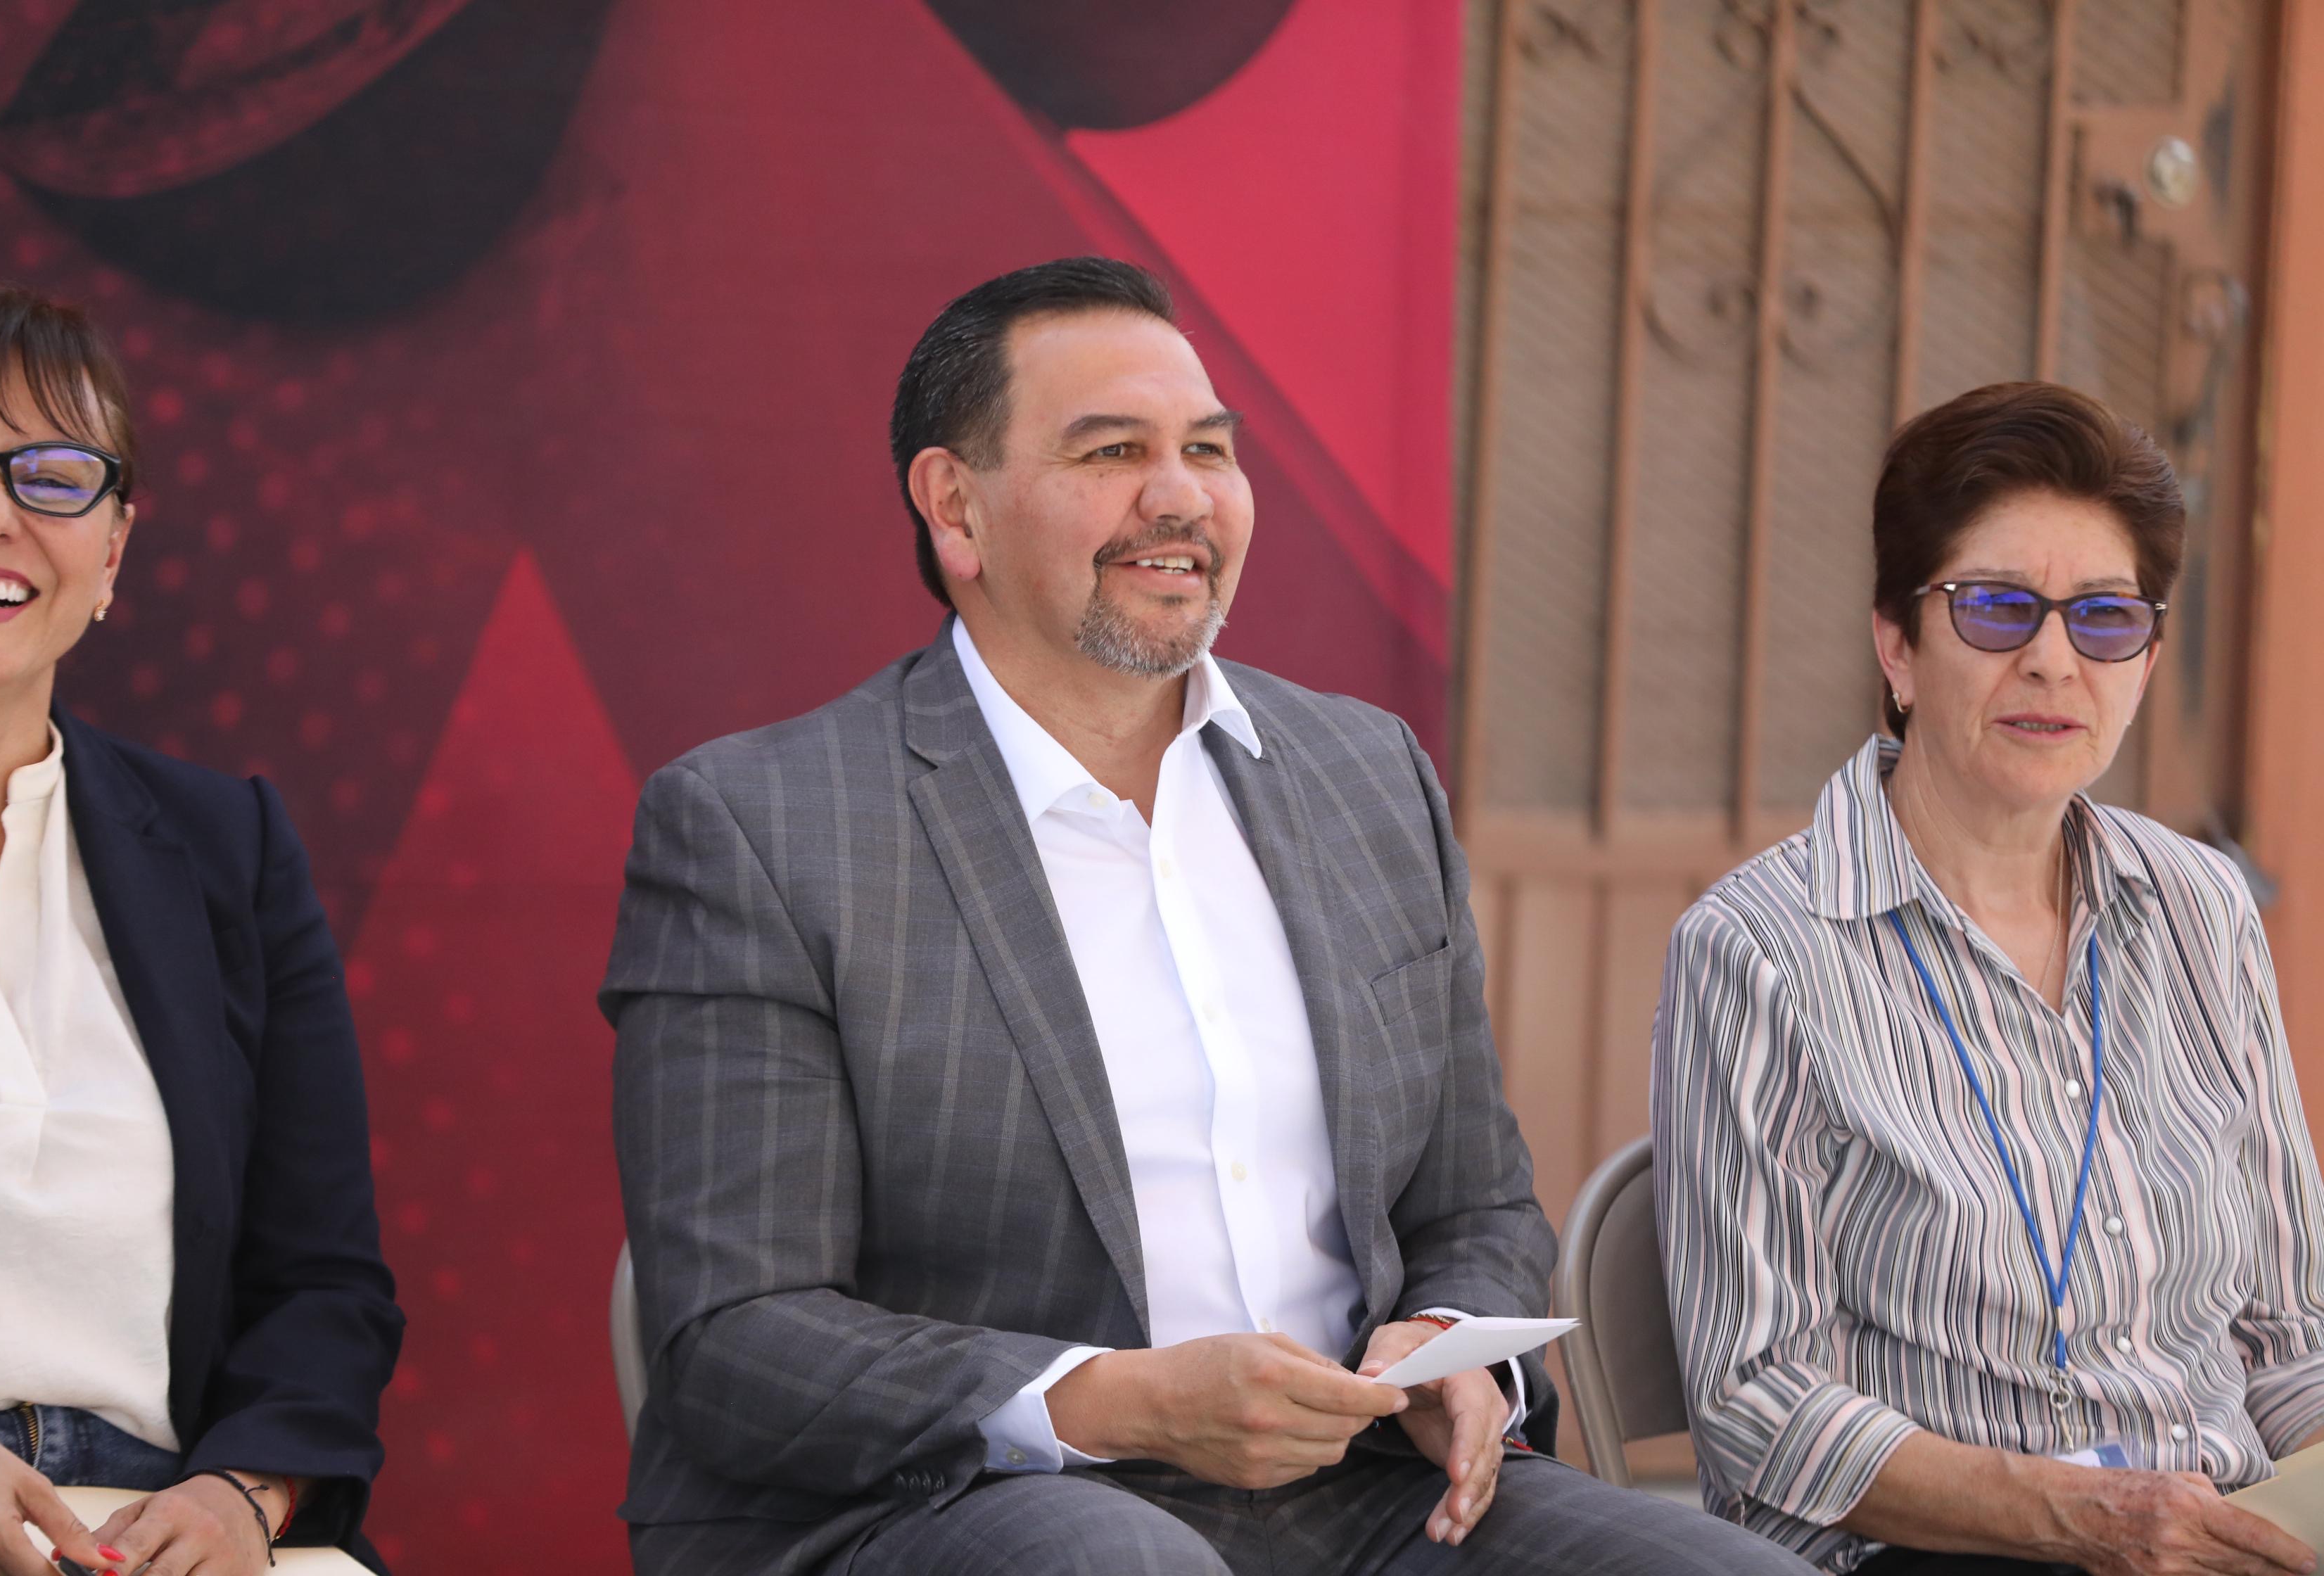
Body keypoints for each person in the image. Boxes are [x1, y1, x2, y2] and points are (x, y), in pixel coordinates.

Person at [604, 257, 1811, 1575]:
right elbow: (738, 1332)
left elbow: (1475, 1205)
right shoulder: (763, 827)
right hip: (952, 1499)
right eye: (1112, 451)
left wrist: (1449, 1347)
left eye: (1210, 450)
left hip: (1367, 1490)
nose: (1181, 496)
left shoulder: (1366, 775)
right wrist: (1116, 1401)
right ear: (956, 506)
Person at [1653, 380, 2324, 1576]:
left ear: (2145, 658)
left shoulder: (2203, 908)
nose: (2054, 661)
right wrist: (2081, 1516)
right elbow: (1757, 1396)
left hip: (2217, 1535)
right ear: (1896, 646)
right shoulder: (1758, 949)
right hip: (1942, 1549)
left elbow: (2290, 1329)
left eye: (2105, 619)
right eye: (1998, 609)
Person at [0, 284, 402, 1575]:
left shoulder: (229, 851)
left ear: (113, 554)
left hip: (158, 1530)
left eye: (53, 477)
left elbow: (323, 1284)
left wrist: (242, 1499)